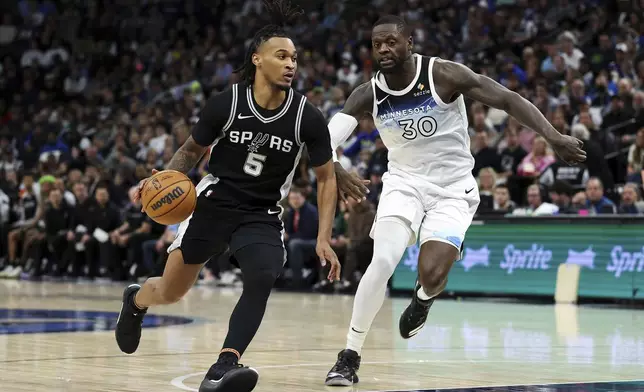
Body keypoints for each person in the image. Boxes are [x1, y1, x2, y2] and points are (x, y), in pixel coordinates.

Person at [325, 15, 586, 386]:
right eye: (376, 44)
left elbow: (508, 99)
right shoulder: (367, 93)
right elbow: (324, 139)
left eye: (391, 42)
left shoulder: (444, 75)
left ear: (409, 43)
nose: (383, 49)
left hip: (452, 187)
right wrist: (335, 167)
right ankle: (349, 355)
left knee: (432, 275)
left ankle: (423, 298)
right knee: (382, 260)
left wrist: (554, 135)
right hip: (404, 184)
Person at [113, 2, 340, 392]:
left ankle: (223, 366)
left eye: (295, 58)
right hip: (213, 203)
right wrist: (163, 179)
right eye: (281, 56)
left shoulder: (308, 116)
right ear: (257, 60)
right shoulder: (227, 102)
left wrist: (323, 237)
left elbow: (326, 178)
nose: (291, 64)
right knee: (170, 291)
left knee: (263, 274)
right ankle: (136, 301)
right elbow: (190, 151)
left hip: (261, 212)